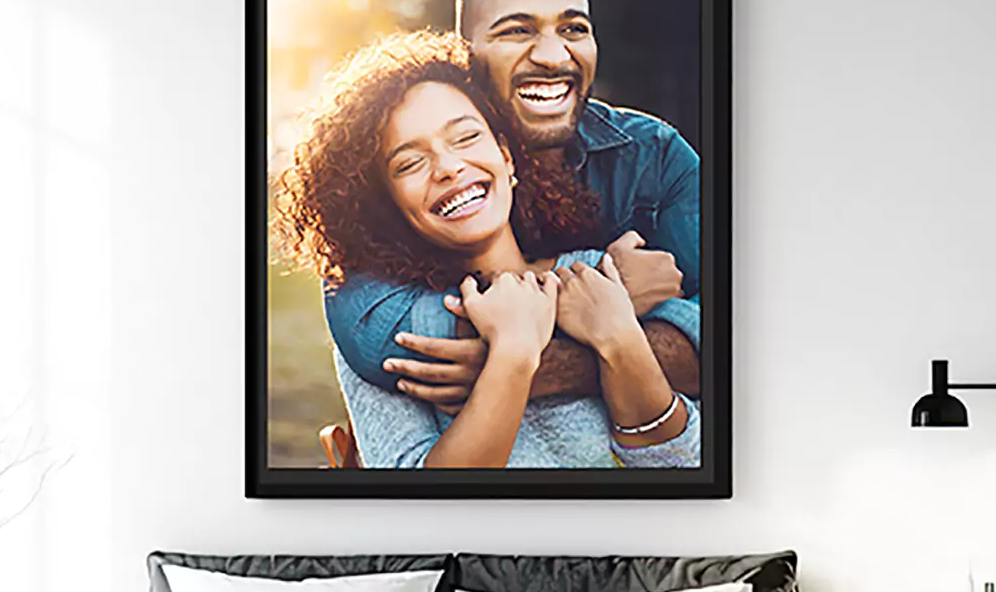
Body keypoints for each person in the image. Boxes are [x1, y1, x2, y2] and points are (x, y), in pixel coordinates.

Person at [275, 31, 699, 468]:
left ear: (507, 158)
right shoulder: (397, 342)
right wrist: (514, 354)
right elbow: (414, 512)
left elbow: (681, 468)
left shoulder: (599, 278)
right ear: (387, 204)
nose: (449, 167)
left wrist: (619, 339)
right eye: (409, 163)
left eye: (465, 138)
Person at [321, 0, 702, 415]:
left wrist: (555, 364)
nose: (555, 56)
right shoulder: (402, 157)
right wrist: (608, 292)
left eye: (574, 28)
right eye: (517, 31)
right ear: (464, 54)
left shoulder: (652, 156)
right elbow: (383, 336)